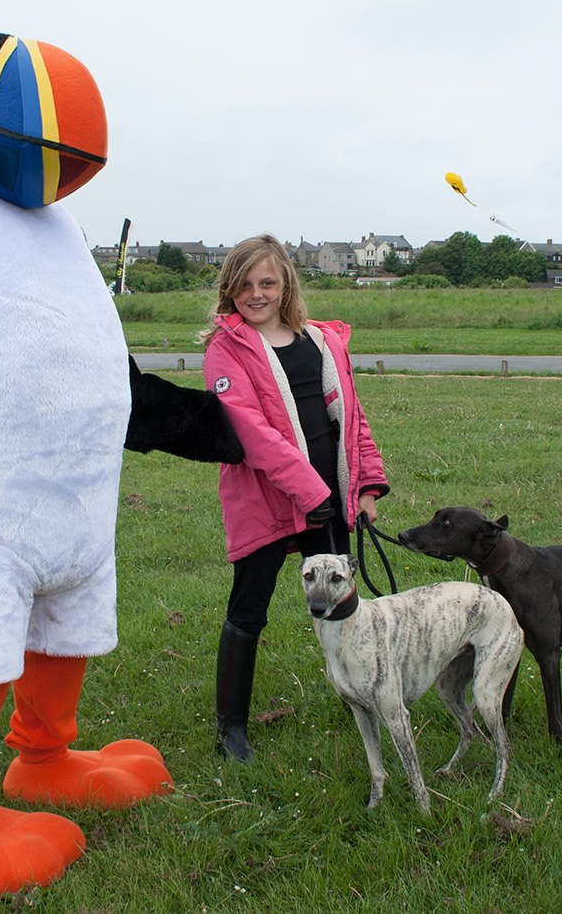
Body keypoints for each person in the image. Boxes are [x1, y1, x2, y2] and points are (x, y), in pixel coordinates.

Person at [201, 234, 390, 762]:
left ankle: (354, 691)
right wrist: (311, 491)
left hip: (329, 492)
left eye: (267, 282)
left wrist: (367, 484)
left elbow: (352, 419)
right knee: (249, 609)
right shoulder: (226, 349)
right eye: (244, 284)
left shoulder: (321, 340)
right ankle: (231, 729)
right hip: (269, 498)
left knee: (338, 601)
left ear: (286, 284)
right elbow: (253, 432)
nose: (256, 294)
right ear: (230, 288)